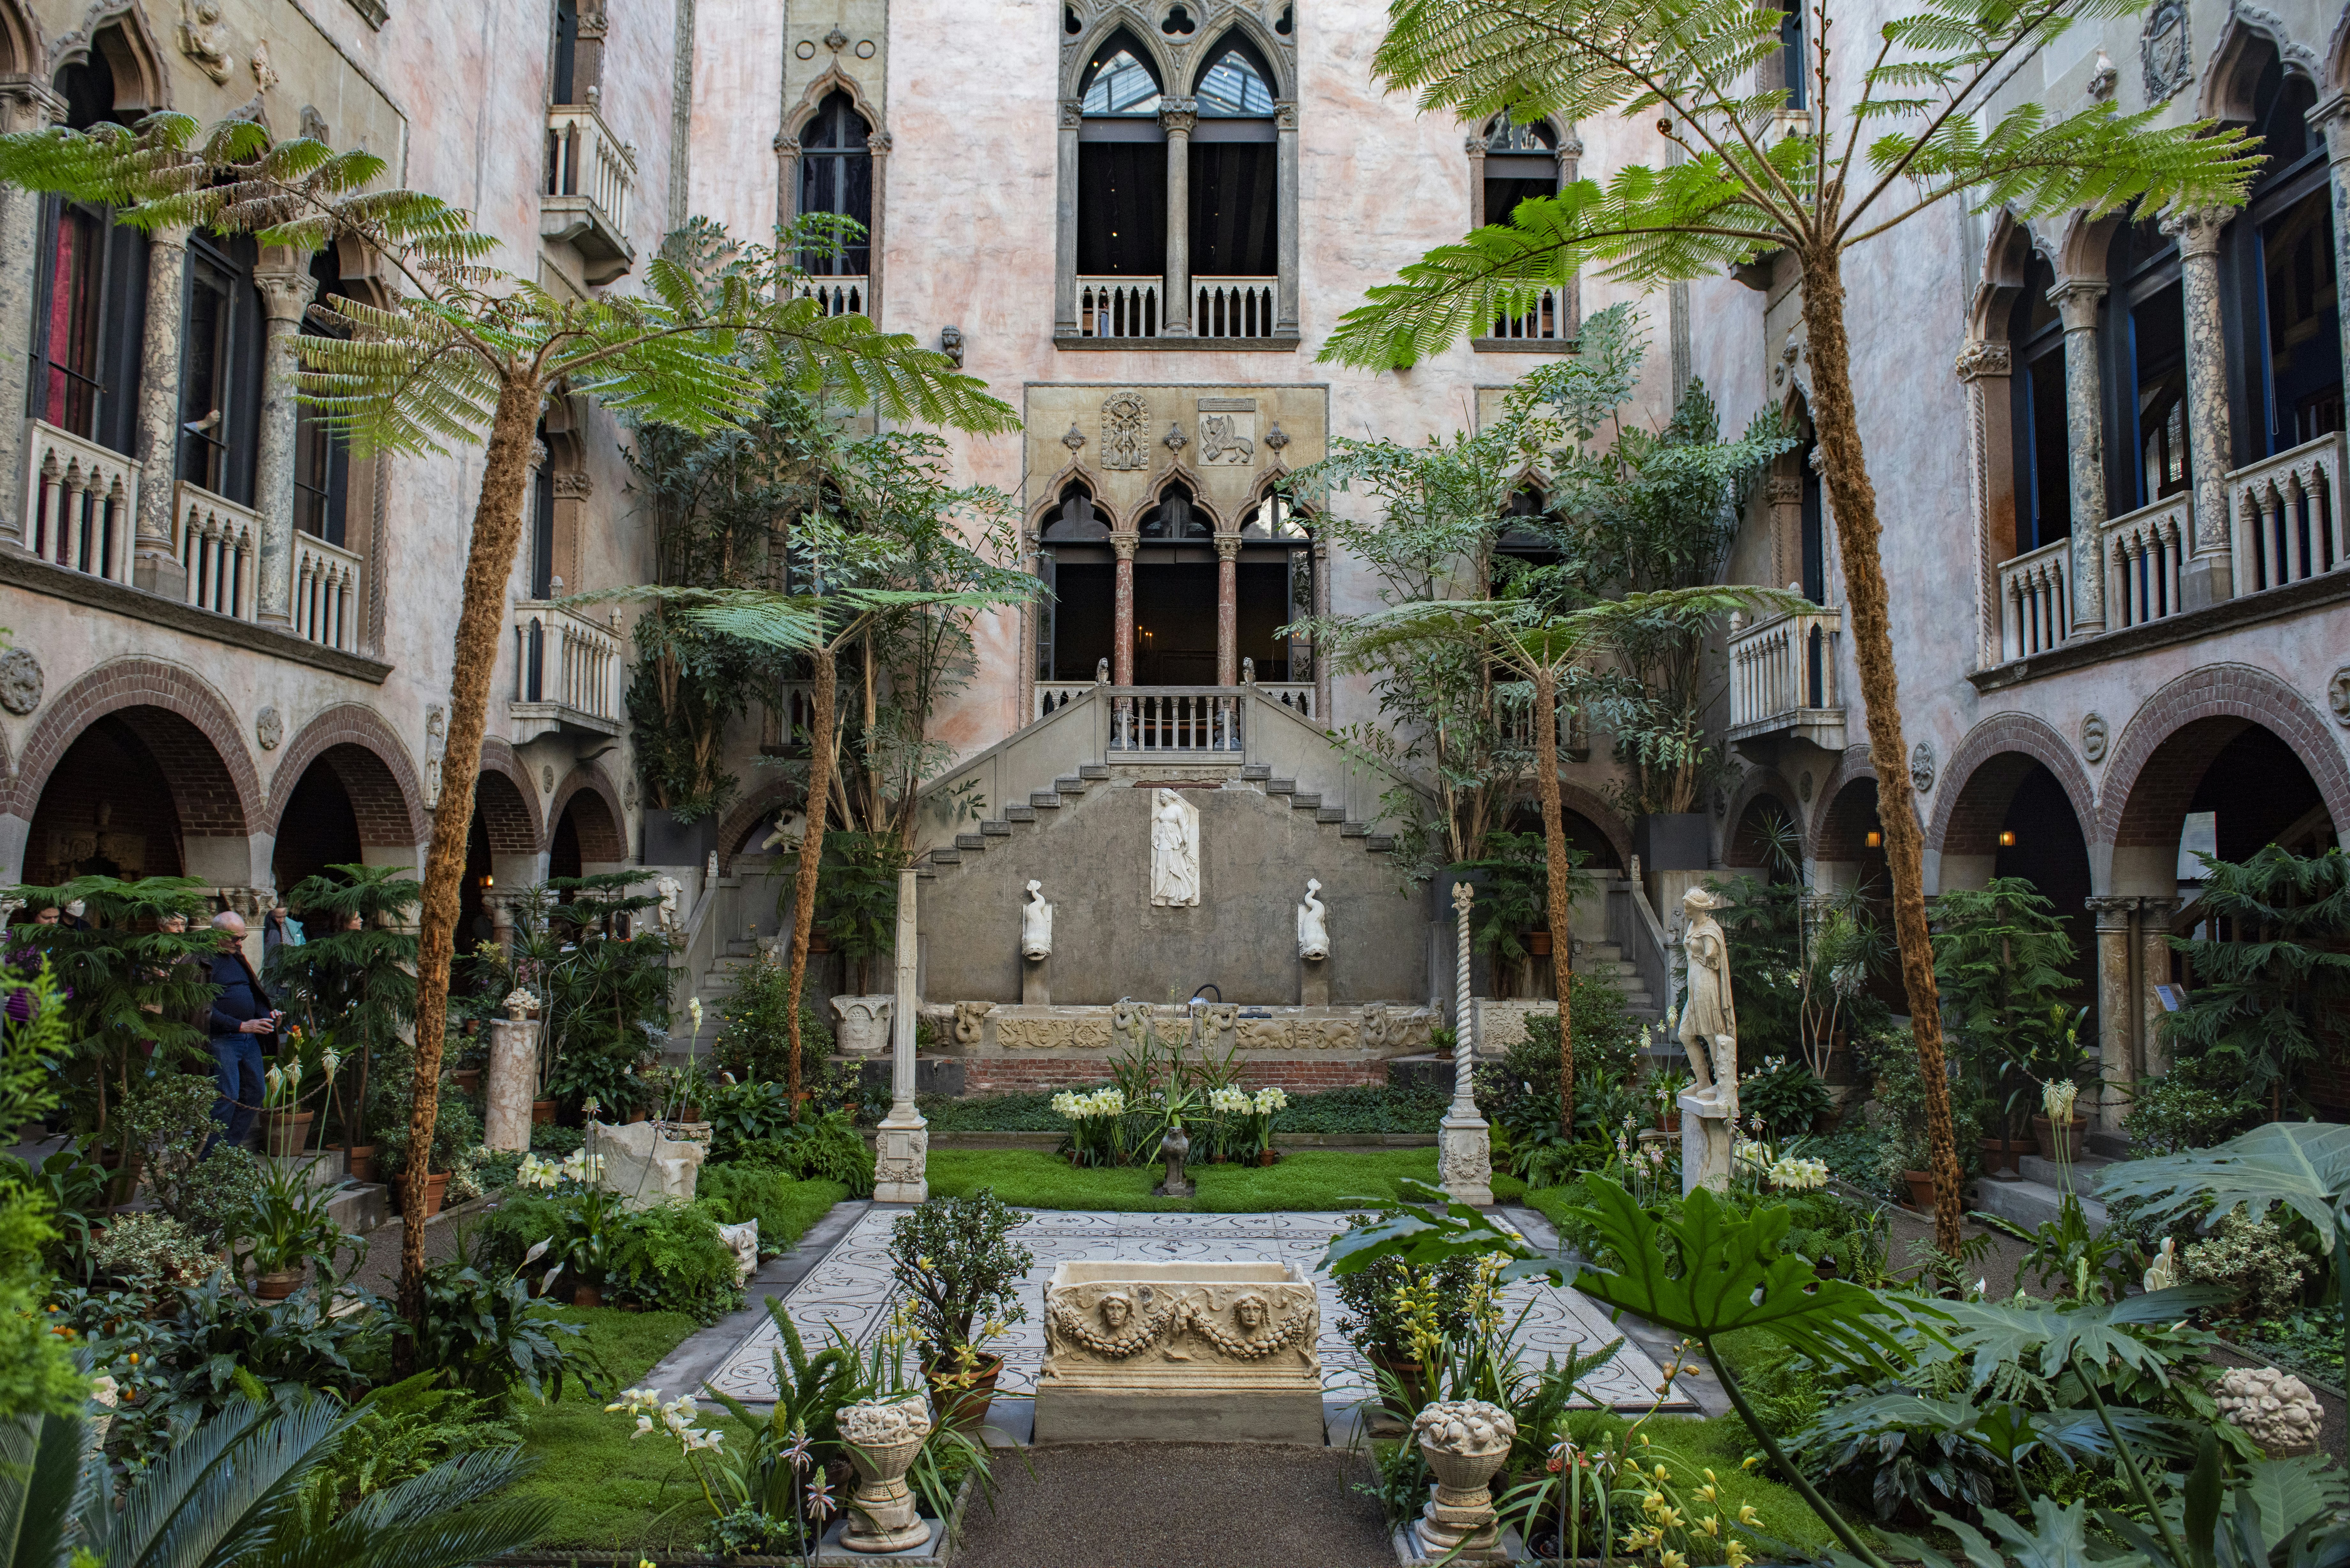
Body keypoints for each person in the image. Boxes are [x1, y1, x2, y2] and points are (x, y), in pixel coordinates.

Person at [201, 910, 281, 1155]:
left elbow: (253, 994)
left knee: (256, 1092)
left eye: (242, 938)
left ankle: (228, 1150)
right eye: (234, 939)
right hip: (223, 1038)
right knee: (227, 1096)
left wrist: (267, 1016)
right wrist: (239, 1025)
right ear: (217, 935)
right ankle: (209, 1157)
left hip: (248, 1037)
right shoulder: (201, 960)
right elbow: (201, 1010)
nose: (239, 943)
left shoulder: (237, 958)